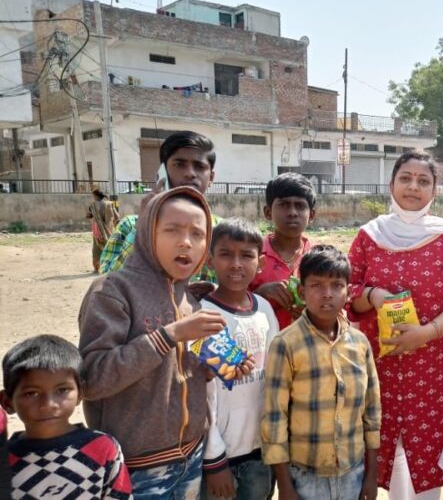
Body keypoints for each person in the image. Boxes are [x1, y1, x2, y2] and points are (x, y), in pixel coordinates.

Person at [78, 187, 255, 499]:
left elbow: (180, 374)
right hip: (134, 469)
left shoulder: (190, 298)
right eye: (172, 230)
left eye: (197, 234)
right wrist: (169, 335)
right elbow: (92, 378)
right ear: (148, 233)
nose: (186, 242)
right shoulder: (111, 291)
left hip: (191, 459)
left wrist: (218, 368)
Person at [348, 151, 443, 497]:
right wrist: (374, 295)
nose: (413, 187)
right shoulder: (369, 236)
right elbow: (347, 291)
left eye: (423, 181)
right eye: (406, 178)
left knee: (423, 462)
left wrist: (425, 334)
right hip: (379, 369)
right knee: (381, 454)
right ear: (392, 183)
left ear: (434, 189)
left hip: (432, 373)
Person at [261, 245, 381, 500]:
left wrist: (371, 476)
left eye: (337, 285)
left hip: (353, 472)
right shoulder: (286, 344)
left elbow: (371, 413)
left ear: (348, 291)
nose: (327, 294)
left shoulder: (360, 344)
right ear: (302, 292)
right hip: (304, 476)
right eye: (316, 285)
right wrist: (285, 485)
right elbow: (274, 418)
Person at [201, 218, 279, 500]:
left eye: (246, 255)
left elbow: (274, 379)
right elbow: (203, 396)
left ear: (259, 263)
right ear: (209, 260)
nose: (236, 264)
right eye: (226, 254)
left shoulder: (265, 310)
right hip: (219, 455)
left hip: (260, 452)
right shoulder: (202, 315)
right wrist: (213, 458)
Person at [1, 335, 132, 499]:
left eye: (62, 390)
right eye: (31, 393)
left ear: (80, 394)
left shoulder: (104, 449)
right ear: (7, 402)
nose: (49, 404)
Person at [99, 130, 219, 283]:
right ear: (162, 173)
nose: (190, 173)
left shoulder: (221, 230)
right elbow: (108, 284)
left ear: (211, 177)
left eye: (199, 166)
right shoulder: (129, 226)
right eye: (179, 164)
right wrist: (144, 226)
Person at [248, 173, 316, 330]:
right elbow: (227, 302)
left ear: (311, 215)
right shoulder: (250, 255)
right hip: (261, 348)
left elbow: (339, 307)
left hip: (308, 348)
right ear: (268, 212)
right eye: (284, 205)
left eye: (300, 205)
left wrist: (315, 312)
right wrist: (259, 295)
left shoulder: (321, 258)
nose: (292, 212)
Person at [87, 188, 119, 273]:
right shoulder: (110, 204)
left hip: (97, 230)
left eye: (93, 195)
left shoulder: (92, 205)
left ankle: (97, 268)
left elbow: (88, 216)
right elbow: (117, 217)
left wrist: (95, 216)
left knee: (97, 248)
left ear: (96, 196)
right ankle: (111, 266)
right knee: (109, 247)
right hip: (109, 229)